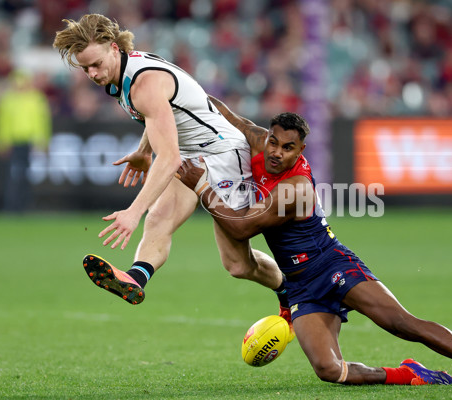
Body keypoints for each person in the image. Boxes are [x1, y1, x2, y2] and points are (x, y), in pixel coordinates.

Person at [177, 97, 452, 388]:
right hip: (301, 285)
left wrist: (202, 186)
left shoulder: (295, 188)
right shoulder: (260, 143)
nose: (277, 153)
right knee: (329, 370)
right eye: (274, 143)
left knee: (401, 323)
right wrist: (183, 98)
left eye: (288, 148)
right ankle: (406, 374)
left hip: (331, 265)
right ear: (267, 137)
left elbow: (241, 230)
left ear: (300, 151)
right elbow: (226, 114)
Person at [52, 14, 290, 322]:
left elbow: (169, 158)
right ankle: (135, 279)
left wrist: (132, 211)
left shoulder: (143, 83)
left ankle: (290, 289)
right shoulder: (123, 75)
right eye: (85, 68)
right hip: (193, 152)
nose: (93, 74)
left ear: (114, 48)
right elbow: (163, 119)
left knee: (237, 266)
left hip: (224, 153)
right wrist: (142, 151)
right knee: (160, 218)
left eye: (96, 64)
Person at [0, 69, 52, 213]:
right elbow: (3, 123)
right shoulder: (11, 99)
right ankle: (15, 205)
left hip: (27, 142)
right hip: (14, 142)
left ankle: (21, 205)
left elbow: (41, 122)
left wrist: (42, 141)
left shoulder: (32, 98)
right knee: (15, 175)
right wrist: (3, 142)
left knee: (22, 174)